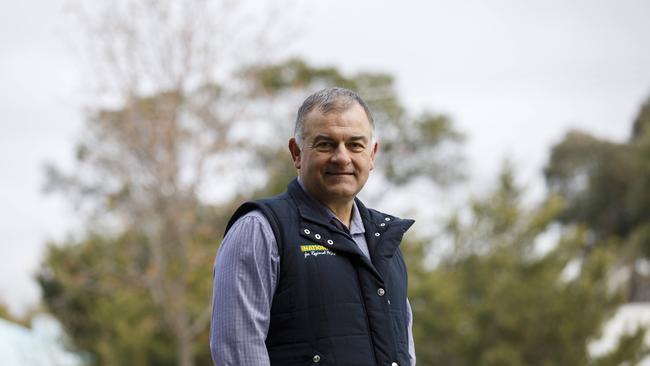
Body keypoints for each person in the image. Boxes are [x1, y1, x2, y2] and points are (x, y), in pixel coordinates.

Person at [210, 87, 416, 366]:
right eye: (326, 144)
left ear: (372, 154)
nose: (342, 157)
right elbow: (238, 353)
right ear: (296, 152)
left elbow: (403, 349)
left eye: (355, 145)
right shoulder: (259, 231)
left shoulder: (385, 241)